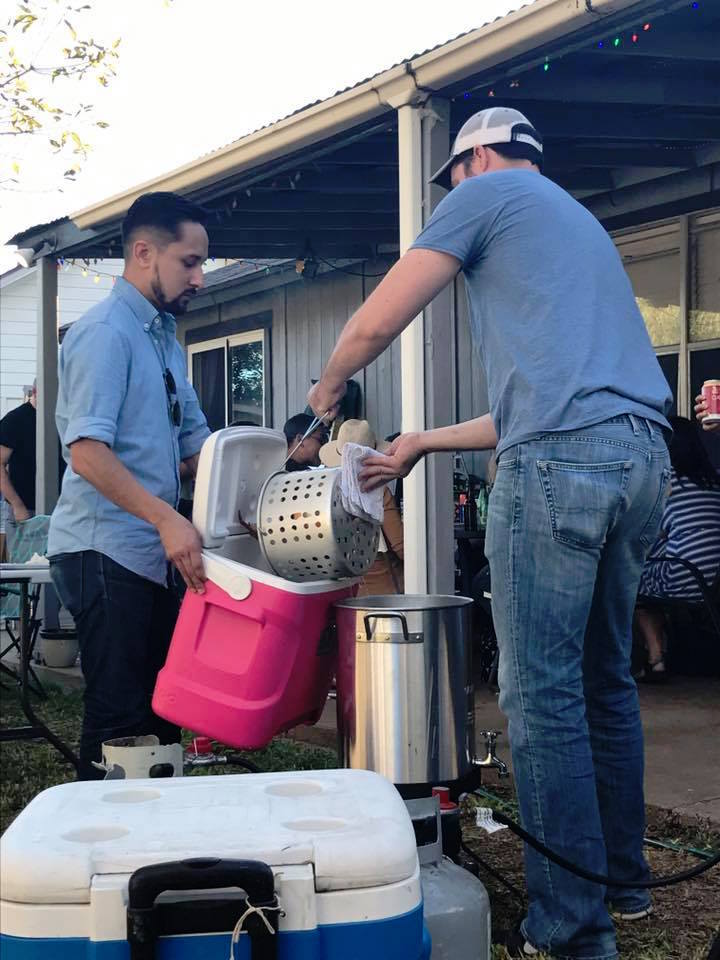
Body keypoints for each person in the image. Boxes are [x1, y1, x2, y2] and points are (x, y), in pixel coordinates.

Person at [308, 106, 672, 960]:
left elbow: (375, 322)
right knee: (602, 681)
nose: (451, 193)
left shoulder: (486, 193)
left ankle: (571, 930)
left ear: (474, 157)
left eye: (451, 178)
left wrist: (327, 391)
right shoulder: (578, 224)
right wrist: (423, 442)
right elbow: (546, 406)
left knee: (539, 695)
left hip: (560, 470)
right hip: (642, 460)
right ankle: (623, 886)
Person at [48, 191, 211, 780]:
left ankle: (158, 852)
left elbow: (195, 452)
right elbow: (87, 452)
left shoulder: (163, 337)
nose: (199, 277)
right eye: (188, 263)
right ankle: (98, 859)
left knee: (165, 711)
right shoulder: (105, 333)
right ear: (143, 253)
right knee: (120, 719)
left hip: (150, 552)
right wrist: (168, 518)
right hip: (103, 547)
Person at [635, 416, 720, 680]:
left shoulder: (665, 483)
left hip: (685, 576)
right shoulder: (715, 479)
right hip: (715, 582)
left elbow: (647, 533)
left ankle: (656, 658)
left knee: (632, 582)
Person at [319, 419, 403, 595]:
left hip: (343, 593)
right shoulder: (377, 491)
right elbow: (400, 546)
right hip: (384, 591)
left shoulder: (323, 490)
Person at [0, 380, 37, 558]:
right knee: (24, 573)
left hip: (59, 510)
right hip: (24, 512)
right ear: (35, 392)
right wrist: (17, 505)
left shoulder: (61, 419)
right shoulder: (15, 420)